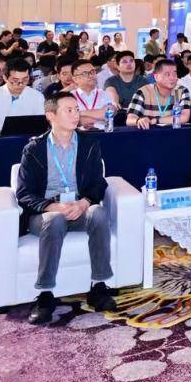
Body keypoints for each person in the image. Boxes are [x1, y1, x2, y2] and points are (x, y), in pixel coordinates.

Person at [15, 93, 117, 324]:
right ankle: (45, 294)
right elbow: (23, 193)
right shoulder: (34, 149)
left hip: (79, 207)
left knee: (98, 213)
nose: (75, 114)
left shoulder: (89, 144)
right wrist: (52, 206)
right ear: (51, 116)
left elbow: (98, 183)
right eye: (68, 110)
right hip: (46, 212)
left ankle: (99, 286)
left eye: (76, 109)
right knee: (55, 220)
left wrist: (84, 203)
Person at [126, 59, 191, 128]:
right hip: (149, 132)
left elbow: (184, 117)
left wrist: (157, 120)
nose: (172, 78)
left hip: (173, 132)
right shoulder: (143, 92)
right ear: (156, 77)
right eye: (167, 74)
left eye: (175, 74)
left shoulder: (181, 91)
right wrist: (138, 120)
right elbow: (130, 119)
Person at [69, 59, 117, 127]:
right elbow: (69, 119)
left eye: (93, 72)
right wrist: (98, 113)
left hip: (103, 132)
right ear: (75, 79)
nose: (91, 75)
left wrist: (79, 113)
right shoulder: (70, 97)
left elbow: (109, 114)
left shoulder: (104, 94)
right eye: (85, 73)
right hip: (79, 133)